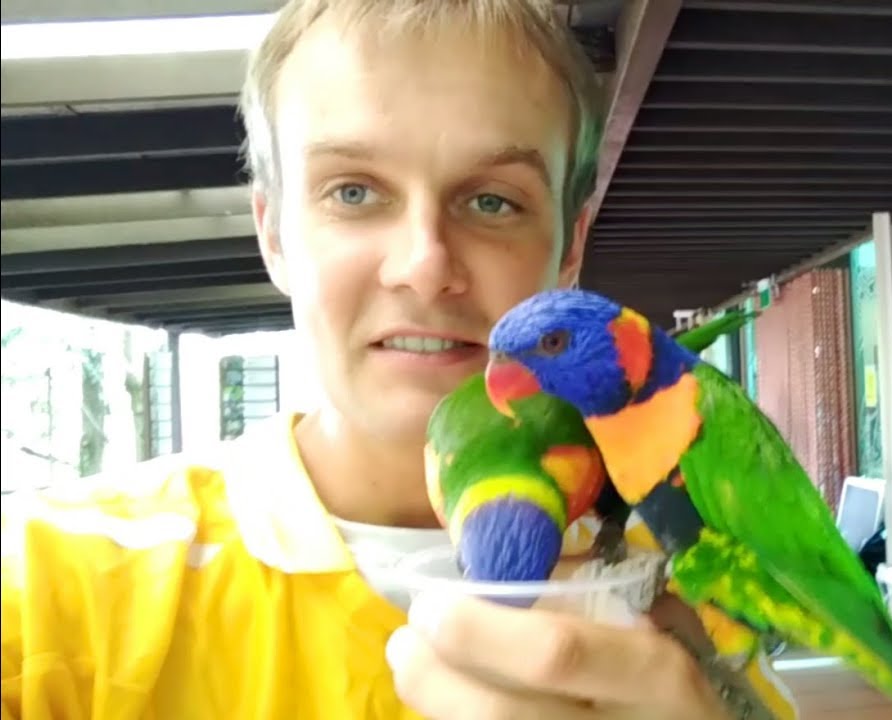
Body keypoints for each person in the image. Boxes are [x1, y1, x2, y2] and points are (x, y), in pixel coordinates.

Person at [0, 1, 798, 718]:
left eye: (493, 201)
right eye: (353, 192)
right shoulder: (51, 583)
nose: (425, 265)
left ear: (569, 249)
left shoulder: (692, 577)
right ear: (273, 234)